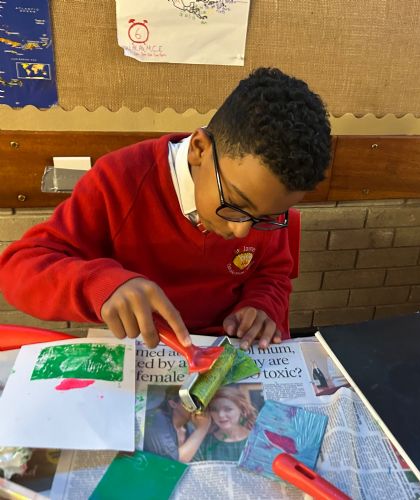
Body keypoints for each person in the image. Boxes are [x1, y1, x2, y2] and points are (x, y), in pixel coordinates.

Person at [0, 67, 331, 350]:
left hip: (228, 346)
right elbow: (19, 268)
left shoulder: (262, 204)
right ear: (199, 149)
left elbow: (272, 272)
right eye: (235, 203)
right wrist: (100, 285)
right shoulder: (119, 180)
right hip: (147, 346)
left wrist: (261, 305)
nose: (242, 230)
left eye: (265, 218)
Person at [143, 387, 211, 463]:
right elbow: (174, 461)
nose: (197, 407)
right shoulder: (157, 418)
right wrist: (202, 428)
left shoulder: (189, 429)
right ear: (173, 404)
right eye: (191, 401)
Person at [193, 385, 258, 462]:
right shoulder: (203, 444)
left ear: (242, 410)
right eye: (214, 409)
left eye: (228, 409)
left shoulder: (258, 440)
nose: (220, 415)